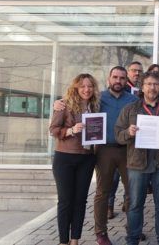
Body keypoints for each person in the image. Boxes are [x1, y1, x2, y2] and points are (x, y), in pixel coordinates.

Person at [115, 72, 159, 245]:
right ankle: (132, 239)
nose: (152, 87)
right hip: (137, 164)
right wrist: (128, 132)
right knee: (135, 204)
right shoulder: (130, 109)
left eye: (156, 84)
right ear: (142, 87)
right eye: (149, 84)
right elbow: (118, 134)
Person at [49, 73, 100, 245]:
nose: (86, 89)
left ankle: (75, 240)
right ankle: (63, 241)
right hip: (65, 158)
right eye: (82, 86)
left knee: (80, 201)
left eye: (90, 86)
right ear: (76, 88)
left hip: (87, 158)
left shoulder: (95, 106)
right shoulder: (64, 104)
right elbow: (53, 129)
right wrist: (71, 130)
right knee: (65, 201)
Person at [94, 67, 138, 245]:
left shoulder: (134, 100)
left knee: (131, 192)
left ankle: (132, 229)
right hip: (104, 149)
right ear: (109, 78)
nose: (118, 81)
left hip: (128, 150)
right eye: (115, 77)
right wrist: (60, 103)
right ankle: (101, 233)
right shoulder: (98, 98)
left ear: (126, 80)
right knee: (102, 192)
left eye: (121, 78)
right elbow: (78, 104)